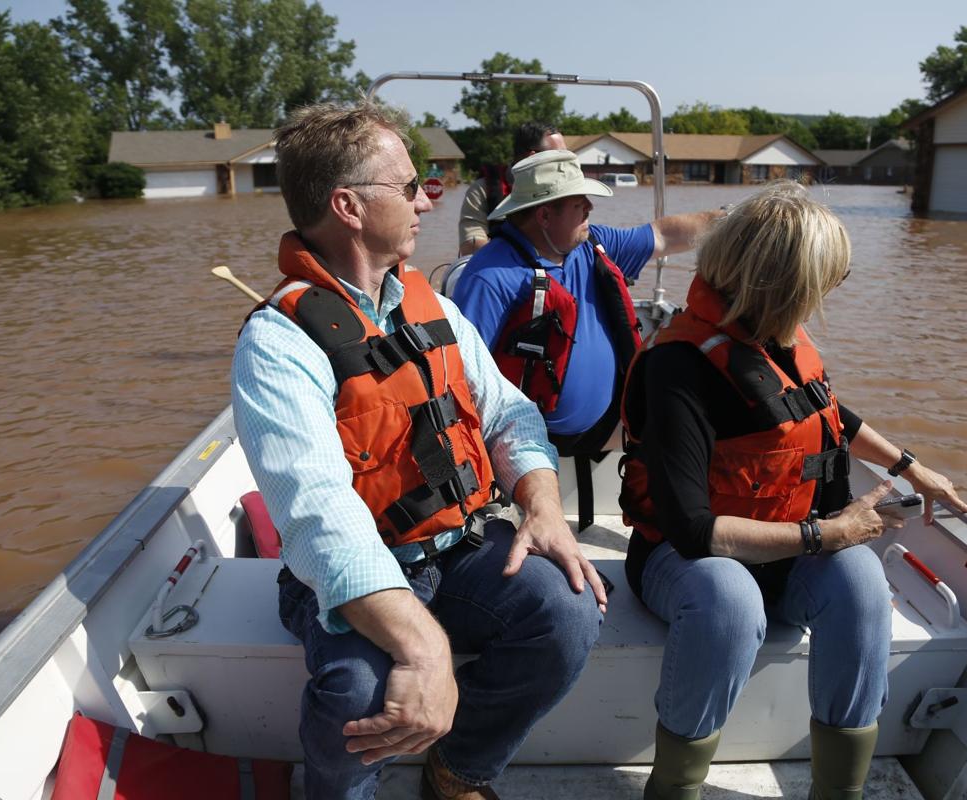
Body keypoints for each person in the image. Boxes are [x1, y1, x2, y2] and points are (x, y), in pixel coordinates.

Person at [231, 103, 606, 800]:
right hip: (354, 573)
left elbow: (510, 414)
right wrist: (423, 645)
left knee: (569, 609)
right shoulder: (277, 344)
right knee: (358, 693)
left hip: (456, 548)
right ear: (348, 205)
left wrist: (542, 505)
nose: (426, 200)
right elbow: (319, 517)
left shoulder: (429, 303)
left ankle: (459, 770)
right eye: (408, 186)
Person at [617, 181, 967, 800]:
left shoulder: (772, 337)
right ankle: (674, 788)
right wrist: (827, 533)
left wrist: (913, 469)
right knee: (731, 599)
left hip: (787, 556)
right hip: (688, 564)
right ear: (779, 286)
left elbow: (829, 415)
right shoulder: (676, 369)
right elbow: (692, 531)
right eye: (822, 282)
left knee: (862, 581)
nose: (827, 295)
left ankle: (839, 791)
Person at [452, 148, 723, 529]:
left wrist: (734, 223)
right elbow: (463, 384)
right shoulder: (489, 277)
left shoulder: (588, 245)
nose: (590, 211)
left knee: (695, 409)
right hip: (528, 439)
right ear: (545, 215)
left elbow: (663, 235)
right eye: (580, 204)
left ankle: (681, 526)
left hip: (608, 421)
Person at [457, 121, 566, 255]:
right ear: (534, 157)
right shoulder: (483, 189)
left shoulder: (569, 189)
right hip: (503, 271)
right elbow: (470, 245)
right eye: (559, 156)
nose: (566, 163)